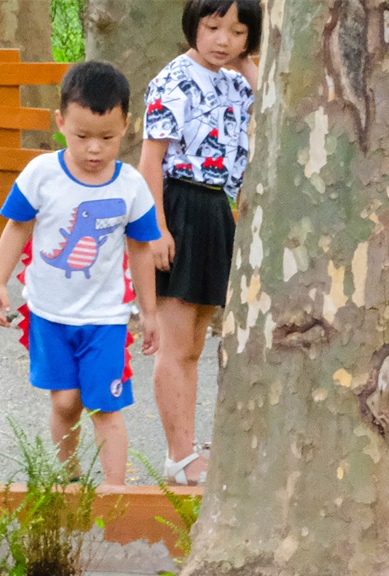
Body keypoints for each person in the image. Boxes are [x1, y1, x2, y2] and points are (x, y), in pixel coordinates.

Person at [0, 60, 160, 489]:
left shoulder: (131, 186)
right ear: (61, 122)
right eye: (82, 136)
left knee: (105, 407)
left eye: (108, 137)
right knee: (65, 402)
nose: (95, 150)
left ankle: (115, 495)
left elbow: (140, 249)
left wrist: (150, 311)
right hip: (49, 313)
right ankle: (69, 483)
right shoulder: (41, 174)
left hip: (106, 318)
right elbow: (17, 226)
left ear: (126, 125)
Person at [140, 0, 258, 487]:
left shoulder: (235, 79)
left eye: (237, 31)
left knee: (193, 345)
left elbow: (274, 97)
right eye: (213, 27)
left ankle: (186, 452)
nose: (223, 40)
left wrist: (245, 61)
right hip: (178, 205)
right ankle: (179, 455)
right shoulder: (172, 79)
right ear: (194, 26)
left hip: (217, 209)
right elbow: (150, 162)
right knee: (175, 341)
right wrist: (157, 230)